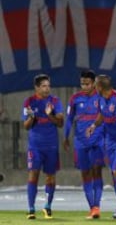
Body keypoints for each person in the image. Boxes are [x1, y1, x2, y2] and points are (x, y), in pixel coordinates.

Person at [63, 70, 104, 219]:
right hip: (80, 142)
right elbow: (69, 119)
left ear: (93, 83)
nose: (84, 86)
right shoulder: (75, 98)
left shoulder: (100, 98)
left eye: (87, 84)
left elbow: (105, 117)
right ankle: (92, 207)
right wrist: (66, 136)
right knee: (85, 173)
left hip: (97, 141)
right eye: (82, 84)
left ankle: (97, 206)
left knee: (96, 172)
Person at [22, 74, 64, 219]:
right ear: (37, 87)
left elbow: (60, 123)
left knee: (50, 177)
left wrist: (50, 114)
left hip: (51, 146)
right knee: (33, 175)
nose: (47, 89)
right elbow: (26, 126)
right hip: (35, 146)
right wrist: (32, 117)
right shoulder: (29, 102)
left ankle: (47, 207)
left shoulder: (55, 101)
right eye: (44, 86)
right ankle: (31, 208)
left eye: (48, 85)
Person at [86, 75, 116, 219]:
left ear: (99, 87)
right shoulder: (101, 99)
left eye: (94, 85)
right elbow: (102, 115)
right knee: (114, 173)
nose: (93, 88)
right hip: (110, 141)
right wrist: (93, 125)